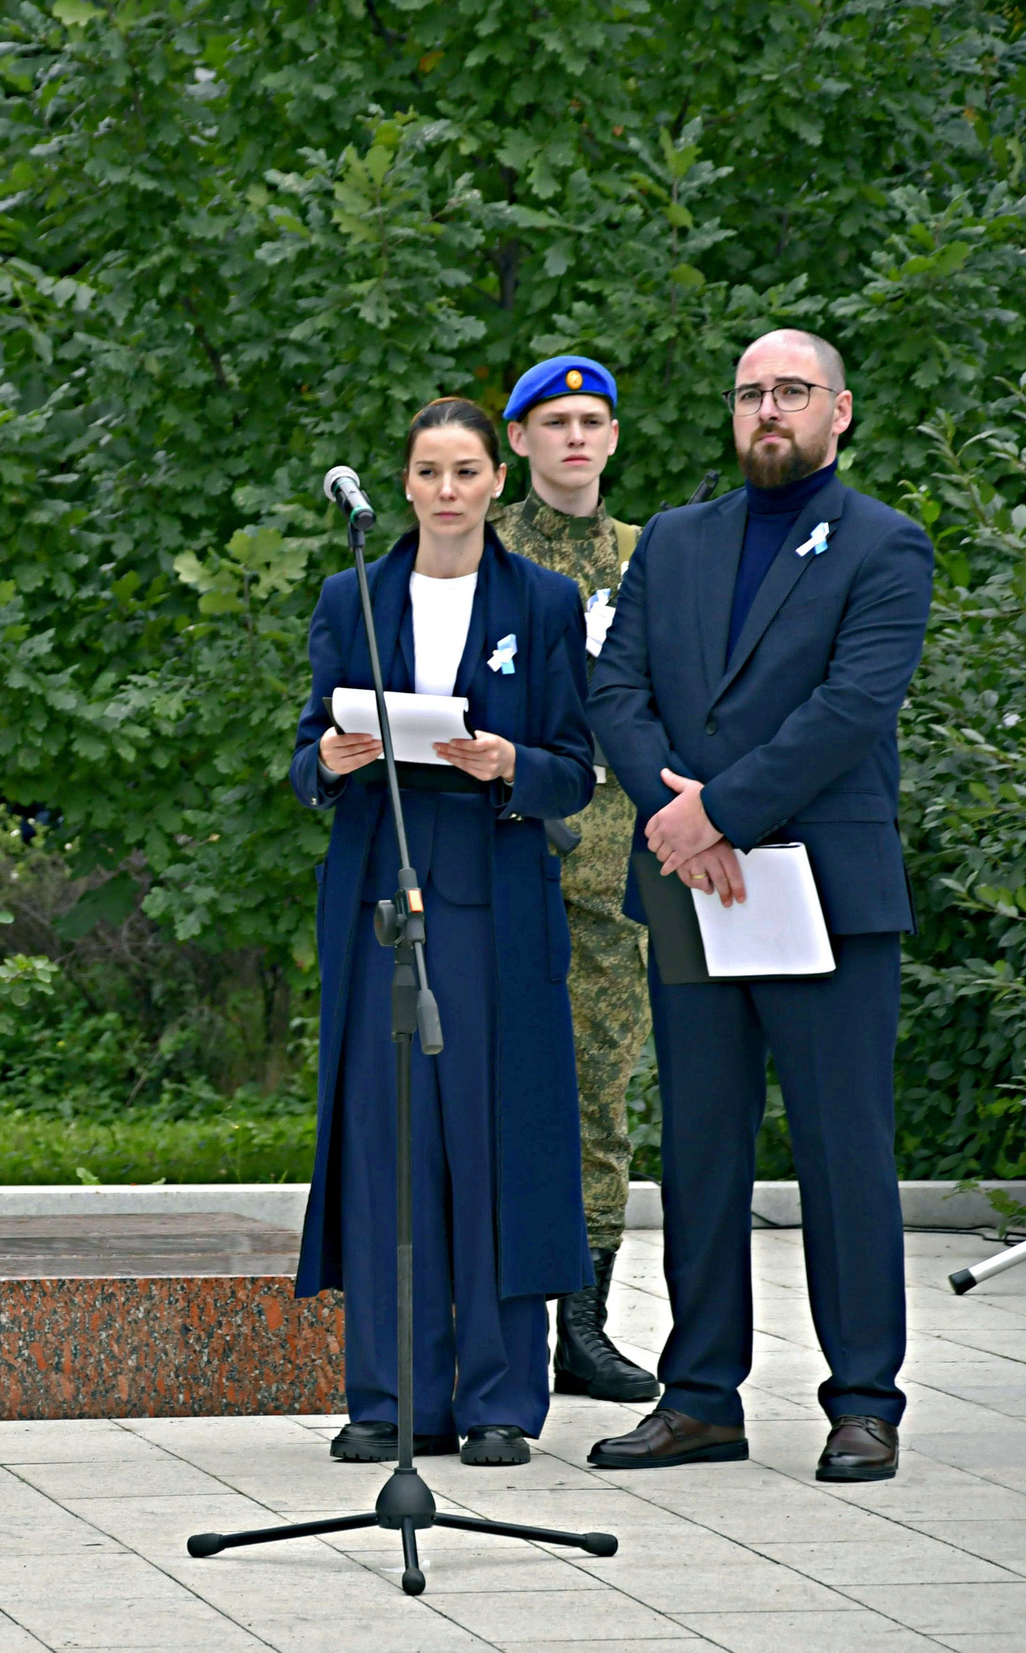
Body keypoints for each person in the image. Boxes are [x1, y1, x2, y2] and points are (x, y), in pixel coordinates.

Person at [585, 330, 932, 1482]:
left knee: (842, 1148)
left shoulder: (884, 543)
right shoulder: (677, 541)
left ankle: (863, 1399)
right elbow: (616, 689)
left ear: (840, 412)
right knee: (698, 1148)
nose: (767, 410)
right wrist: (674, 819)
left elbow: (852, 706)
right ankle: (699, 1398)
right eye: (749, 394)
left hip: (823, 890)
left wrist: (716, 809)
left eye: (791, 392)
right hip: (694, 887)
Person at [291, 397, 596, 1468]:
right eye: (428, 472)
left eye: (466, 470)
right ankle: (389, 1396)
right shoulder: (353, 596)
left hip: (491, 908)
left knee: (491, 1142)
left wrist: (509, 763)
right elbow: (302, 749)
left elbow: (575, 764)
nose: (448, 490)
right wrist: (325, 763)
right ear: (407, 483)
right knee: (390, 1151)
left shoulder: (543, 601)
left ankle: (500, 1397)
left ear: (495, 483)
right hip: (381, 903)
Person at [492, 356, 662, 1404]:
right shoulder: (479, 549)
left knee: (599, 1086)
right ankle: (483, 1313)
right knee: (484, 1080)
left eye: (591, 420)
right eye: (553, 421)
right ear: (517, 440)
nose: (573, 439)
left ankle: (585, 1324)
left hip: (616, 861)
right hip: (502, 844)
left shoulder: (650, 558)